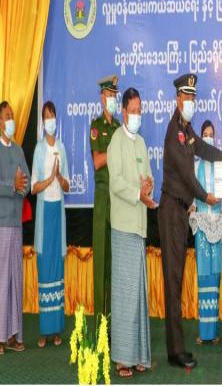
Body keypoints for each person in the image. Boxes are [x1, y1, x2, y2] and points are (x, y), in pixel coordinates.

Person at [158, 73, 222, 369]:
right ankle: (175, 352)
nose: (191, 102)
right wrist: (207, 197)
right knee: (173, 281)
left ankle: (177, 348)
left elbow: (201, 148)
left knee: (176, 280)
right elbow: (188, 177)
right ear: (178, 99)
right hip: (171, 211)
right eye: (187, 98)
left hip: (180, 211)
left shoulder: (186, 130)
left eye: (193, 98)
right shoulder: (173, 131)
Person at [107, 87, 156, 378]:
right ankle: (122, 359)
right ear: (123, 112)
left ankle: (138, 354)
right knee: (124, 294)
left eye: (140, 110)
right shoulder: (116, 141)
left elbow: (148, 176)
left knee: (137, 293)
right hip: (123, 225)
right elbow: (116, 183)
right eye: (133, 111)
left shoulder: (142, 143)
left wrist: (148, 185)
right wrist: (139, 193)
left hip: (139, 225)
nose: (137, 115)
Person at [0, 100, 30, 355]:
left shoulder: (18, 150)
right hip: (2, 224)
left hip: (16, 223)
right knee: (2, 281)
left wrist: (20, 187)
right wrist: (12, 185)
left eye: (13, 115)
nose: (11, 119)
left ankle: (14, 336)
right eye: (7, 115)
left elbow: (26, 183)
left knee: (15, 280)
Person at [31, 101, 69, 349]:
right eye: (46, 116)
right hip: (45, 214)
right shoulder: (38, 149)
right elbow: (34, 187)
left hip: (58, 213)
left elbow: (67, 185)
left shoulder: (62, 148)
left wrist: (60, 178)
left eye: (52, 115)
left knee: (57, 270)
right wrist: (49, 178)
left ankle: (56, 330)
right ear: (43, 122)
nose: (50, 120)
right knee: (45, 268)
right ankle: (44, 331)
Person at [188, 120, 222, 345]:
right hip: (202, 224)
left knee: (215, 274)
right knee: (204, 275)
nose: (209, 137)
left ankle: (213, 332)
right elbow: (192, 193)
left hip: (217, 225)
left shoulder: (221, 166)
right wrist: (192, 206)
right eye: (205, 134)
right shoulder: (196, 167)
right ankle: (204, 333)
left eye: (211, 134)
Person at [90, 75, 120, 321]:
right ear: (102, 97)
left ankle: (113, 322)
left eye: (114, 96)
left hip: (118, 198)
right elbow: (97, 161)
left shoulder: (119, 127)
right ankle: (100, 324)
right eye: (109, 95)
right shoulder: (96, 126)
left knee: (115, 263)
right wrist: (114, 150)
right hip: (102, 198)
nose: (112, 99)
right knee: (100, 261)